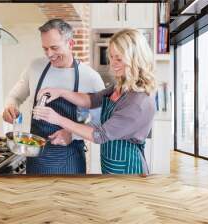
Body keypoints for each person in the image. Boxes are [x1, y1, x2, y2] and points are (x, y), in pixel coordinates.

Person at [33, 28, 156, 175]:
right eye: (111, 58)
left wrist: (57, 119)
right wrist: (60, 92)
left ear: (135, 58)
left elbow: (99, 135)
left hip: (129, 169)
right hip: (111, 163)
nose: (113, 64)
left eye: (119, 58)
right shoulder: (122, 86)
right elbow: (92, 100)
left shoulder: (138, 102)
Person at [2, 19, 105, 174]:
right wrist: (10, 107)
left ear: (71, 44)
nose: (49, 54)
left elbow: (100, 124)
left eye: (54, 48)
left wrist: (73, 134)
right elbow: (15, 97)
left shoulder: (90, 78)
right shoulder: (35, 67)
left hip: (69, 159)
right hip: (36, 159)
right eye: (45, 49)